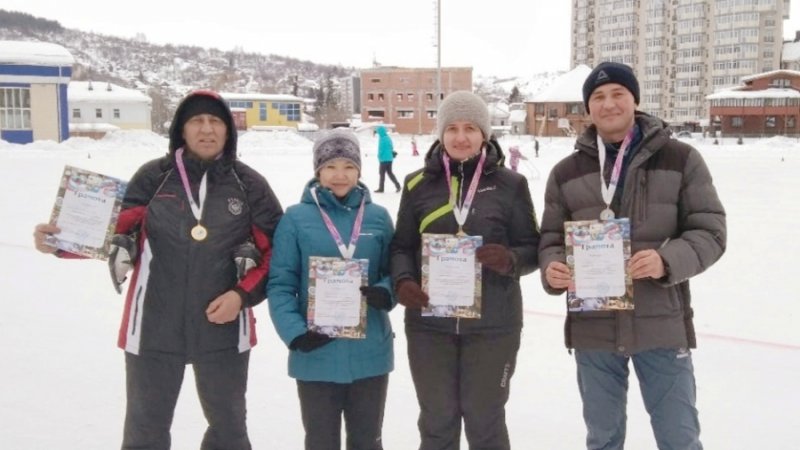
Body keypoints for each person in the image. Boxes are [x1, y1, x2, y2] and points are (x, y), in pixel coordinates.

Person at [33, 89, 284, 449]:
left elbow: (277, 253)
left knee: (229, 431)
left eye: (215, 121)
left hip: (224, 327)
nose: (206, 129)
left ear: (229, 131)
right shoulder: (154, 177)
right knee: (145, 431)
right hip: (153, 325)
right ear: (181, 130)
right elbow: (111, 230)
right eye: (196, 121)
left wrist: (241, 296)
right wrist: (59, 242)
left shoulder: (249, 185)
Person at [538, 62, 727, 450]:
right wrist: (552, 267)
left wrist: (667, 260)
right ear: (588, 109)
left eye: (617, 94)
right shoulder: (565, 172)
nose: (608, 105)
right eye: (598, 97)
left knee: (679, 436)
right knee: (603, 438)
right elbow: (551, 239)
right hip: (594, 327)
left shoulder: (681, 159)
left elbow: (710, 232)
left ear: (635, 99)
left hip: (661, 323)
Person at [390, 90, 541, 450]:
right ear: (440, 134)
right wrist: (403, 280)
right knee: (437, 420)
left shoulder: (511, 185)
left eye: (470, 128)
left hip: (494, 326)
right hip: (430, 326)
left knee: (484, 419)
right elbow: (401, 246)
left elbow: (533, 247)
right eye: (452, 128)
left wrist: (510, 260)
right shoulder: (416, 184)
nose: (460, 137)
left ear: (484, 134)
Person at [267, 128, 396, 450]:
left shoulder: (378, 218)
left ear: (359, 171)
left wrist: (386, 291)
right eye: (331, 167)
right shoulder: (295, 218)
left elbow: (397, 270)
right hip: (315, 351)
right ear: (318, 171)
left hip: (370, 353)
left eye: (349, 167)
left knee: (367, 441)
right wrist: (295, 334)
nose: (340, 175)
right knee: (321, 441)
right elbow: (281, 284)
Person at [373, 125, 401, 193]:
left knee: (382, 174)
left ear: (380, 132)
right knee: (390, 173)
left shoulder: (382, 139)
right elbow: (391, 147)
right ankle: (398, 186)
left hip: (383, 159)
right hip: (390, 159)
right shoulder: (388, 138)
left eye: (378, 132)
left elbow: (381, 149)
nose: (378, 133)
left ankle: (381, 188)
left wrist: (379, 156)